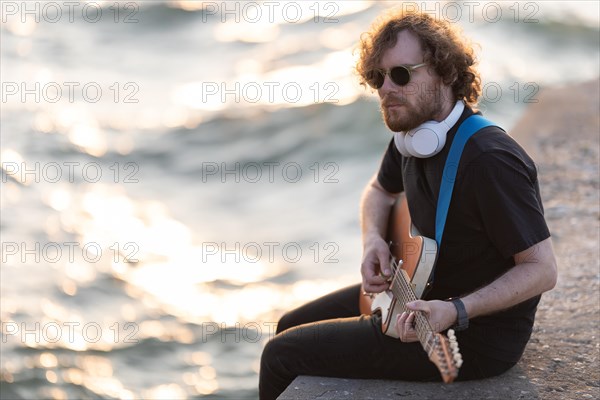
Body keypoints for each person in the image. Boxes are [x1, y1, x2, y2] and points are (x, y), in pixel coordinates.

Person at [259, 10, 557, 400]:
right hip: (415, 290)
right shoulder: (413, 134)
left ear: (445, 73)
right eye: (377, 78)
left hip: (470, 336)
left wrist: (457, 310)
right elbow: (379, 192)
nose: (386, 88)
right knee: (288, 323)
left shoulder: (488, 161)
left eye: (401, 74)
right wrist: (373, 243)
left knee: (279, 355)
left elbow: (542, 269)